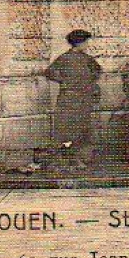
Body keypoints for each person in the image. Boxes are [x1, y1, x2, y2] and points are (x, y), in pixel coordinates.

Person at [43, 30, 102, 167]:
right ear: (79, 43)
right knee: (66, 129)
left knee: (82, 128)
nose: (87, 45)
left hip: (83, 99)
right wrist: (64, 81)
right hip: (68, 99)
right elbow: (49, 72)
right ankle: (66, 158)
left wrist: (88, 82)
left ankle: (78, 157)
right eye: (86, 42)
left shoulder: (87, 59)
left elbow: (97, 70)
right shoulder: (64, 58)